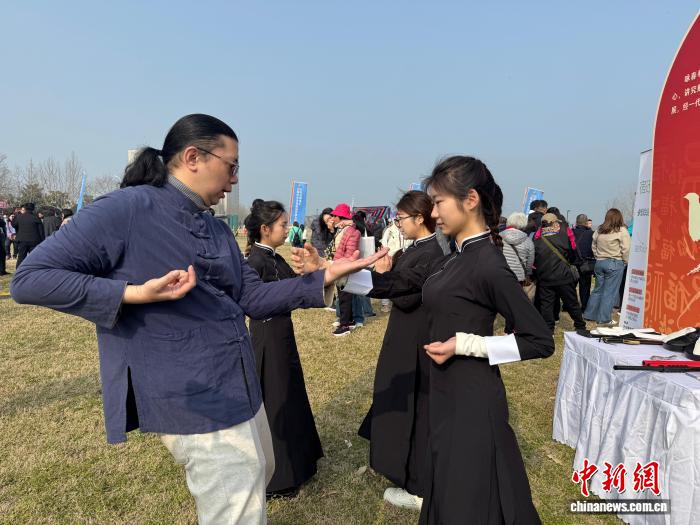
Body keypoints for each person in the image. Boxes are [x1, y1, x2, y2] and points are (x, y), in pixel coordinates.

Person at [10, 114, 383, 524]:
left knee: (259, 473)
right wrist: (133, 293)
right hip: (192, 391)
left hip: (239, 382)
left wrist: (323, 277)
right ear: (193, 157)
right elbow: (31, 279)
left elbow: (254, 298)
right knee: (236, 508)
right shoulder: (127, 209)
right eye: (231, 166)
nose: (235, 180)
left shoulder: (216, 228)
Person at [293, 155, 554, 524]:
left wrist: (467, 344)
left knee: (468, 502)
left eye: (439, 202)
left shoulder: (488, 264)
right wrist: (331, 272)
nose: (433, 212)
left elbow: (539, 340)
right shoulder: (455, 258)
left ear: (471, 199)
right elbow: (399, 285)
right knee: (445, 493)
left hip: (471, 400)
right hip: (443, 392)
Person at [358, 191, 443, 511]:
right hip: (407, 335)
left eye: (401, 218)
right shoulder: (420, 248)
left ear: (420, 218)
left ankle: (418, 485)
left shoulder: (431, 251)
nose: (398, 224)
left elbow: (407, 295)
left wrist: (383, 276)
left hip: (413, 339)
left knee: (414, 407)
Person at [244, 199, 323, 499]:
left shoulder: (274, 258)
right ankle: (279, 476)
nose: (287, 229)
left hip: (282, 335)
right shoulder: (255, 262)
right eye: (282, 224)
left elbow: (297, 287)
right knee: (275, 401)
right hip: (266, 338)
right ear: (265, 229)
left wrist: (312, 272)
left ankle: (300, 461)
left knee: (290, 394)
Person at [533, 213, 586, 332]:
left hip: (545, 278)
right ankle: (580, 326)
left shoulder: (537, 242)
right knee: (572, 303)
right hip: (563, 276)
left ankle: (549, 330)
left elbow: (534, 262)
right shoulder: (563, 238)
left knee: (546, 305)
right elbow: (572, 255)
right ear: (555, 223)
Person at [583, 208, 631, 326]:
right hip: (615, 262)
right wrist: (625, 262)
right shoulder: (622, 230)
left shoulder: (599, 229)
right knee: (609, 292)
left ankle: (589, 314)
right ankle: (604, 318)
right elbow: (626, 249)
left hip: (599, 262)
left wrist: (598, 256)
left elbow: (593, 245)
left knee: (597, 290)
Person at [500, 212, 535, 332]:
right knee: (514, 304)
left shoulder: (498, 237)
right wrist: (528, 274)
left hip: (500, 274)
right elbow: (530, 261)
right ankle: (510, 330)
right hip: (518, 276)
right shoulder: (528, 241)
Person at [331, 203, 361, 336]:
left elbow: (350, 252)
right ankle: (348, 320)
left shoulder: (351, 231)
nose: (333, 218)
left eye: (335, 216)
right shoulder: (343, 229)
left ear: (341, 217)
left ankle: (344, 325)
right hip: (340, 265)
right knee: (344, 295)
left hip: (344, 267)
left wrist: (343, 266)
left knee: (344, 297)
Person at [379, 215, 405, 313]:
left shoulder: (406, 229)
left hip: (404, 258)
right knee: (387, 279)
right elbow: (384, 244)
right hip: (391, 258)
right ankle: (385, 303)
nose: (400, 222)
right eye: (398, 220)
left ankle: (398, 300)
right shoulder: (389, 230)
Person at [573, 213, 595, 310]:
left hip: (572, 263)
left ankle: (569, 306)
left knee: (571, 286)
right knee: (585, 287)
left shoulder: (571, 232)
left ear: (576, 222)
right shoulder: (591, 234)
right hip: (586, 264)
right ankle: (584, 307)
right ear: (586, 222)